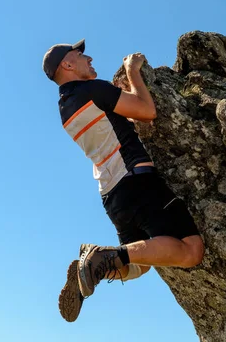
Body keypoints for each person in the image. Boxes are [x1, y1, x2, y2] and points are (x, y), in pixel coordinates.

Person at [42, 39, 204, 322]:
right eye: (80, 55)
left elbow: (114, 125)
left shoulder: (65, 109)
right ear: (67, 65)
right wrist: (133, 72)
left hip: (111, 195)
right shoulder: (93, 89)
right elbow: (147, 111)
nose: (89, 57)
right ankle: (97, 259)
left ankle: (98, 268)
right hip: (135, 180)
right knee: (191, 250)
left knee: (140, 264)